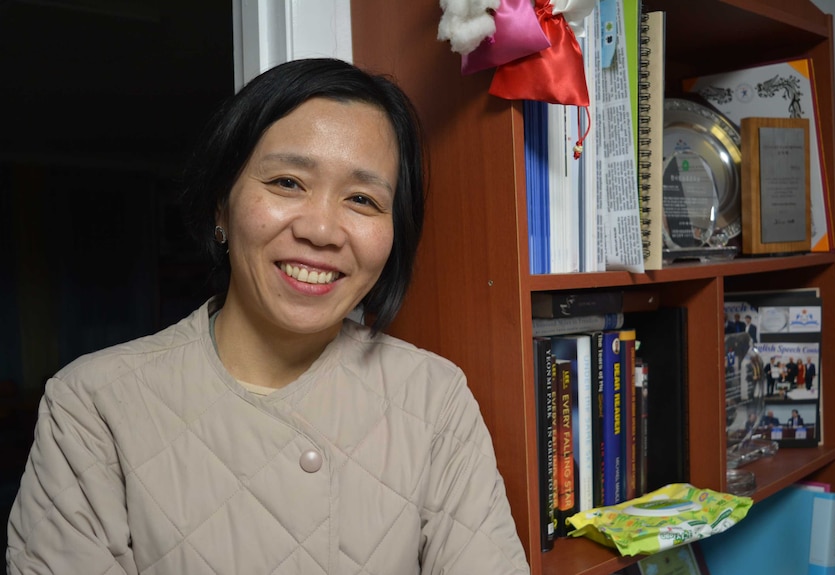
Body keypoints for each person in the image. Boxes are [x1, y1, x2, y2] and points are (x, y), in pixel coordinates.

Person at [5, 58, 530, 575]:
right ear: (221, 205)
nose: (322, 230)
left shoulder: (434, 400)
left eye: (363, 199)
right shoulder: (92, 409)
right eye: (286, 183)